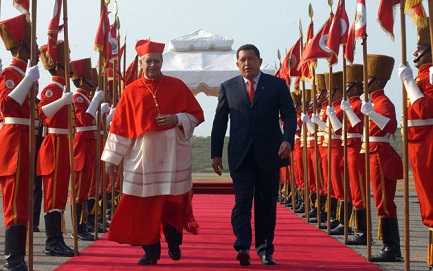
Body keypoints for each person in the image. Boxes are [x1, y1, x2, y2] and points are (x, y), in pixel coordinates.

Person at [101, 39, 204, 266]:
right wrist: (111, 158)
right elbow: (120, 127)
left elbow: (197, 115)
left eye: (157, 61)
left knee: (173, 203)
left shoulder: (177, 86)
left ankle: (174, 242)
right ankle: (151, 252)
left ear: (162, 61)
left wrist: (177, 118)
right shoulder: (130, 91)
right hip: (142, 157)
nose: (153, 65)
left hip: (173, 156)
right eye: (149, 61)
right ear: (141, 62)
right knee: (145, 208)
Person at [211, 44, 297, 266]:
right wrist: (215, 154)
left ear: (260, 61)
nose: (247, 63)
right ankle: (242, 245)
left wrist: (288, 139)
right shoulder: (228, 87)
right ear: (237, 64)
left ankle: (265, 249)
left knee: (266, 204)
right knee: (242, 202)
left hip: (270, 154)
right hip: (240, 156)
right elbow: (220, 122)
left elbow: (289, 113)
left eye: (251, 59)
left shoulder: (276, 85)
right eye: (242, 60)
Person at [0, 14, 40, 271]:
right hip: (14, 140)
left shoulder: (24, 72)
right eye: (32, 43)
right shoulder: (11, 73)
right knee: (15, 200)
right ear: (22, 46)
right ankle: (13, 260)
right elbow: (5, 105)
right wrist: (26, 80)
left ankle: (19, 258)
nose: (36, 49)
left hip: (25, 138)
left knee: (23, 198)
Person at [398, 21, 433, 270]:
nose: (414, 52)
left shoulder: (429, 77)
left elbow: (423, 109)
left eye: (420, 47)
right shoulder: (423, 77)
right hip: (418, 146)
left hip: (429, 144)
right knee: (426, 201)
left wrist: (410, 83)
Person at [361, 54, 403, 262]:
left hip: (381, 154)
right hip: (373, 151)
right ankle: (390, 246)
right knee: (381, 201)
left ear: (376, 81)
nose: (362, 82)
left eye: (367, 78)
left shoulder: (382, 102)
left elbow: (390, 126)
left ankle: (391, 247)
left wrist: (372, 114)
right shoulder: (373, 102)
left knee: (385, 202)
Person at [36, 40, 75, 257]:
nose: (70, 62)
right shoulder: (53, 88)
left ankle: (57, 239)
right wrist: (61, 101)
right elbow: (43, 113)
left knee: (59, 195)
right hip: (54, 145)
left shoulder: (63, 88)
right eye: (66, 57)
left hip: (64, 144)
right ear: (59, 64)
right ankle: (52, 241)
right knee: (52, 195)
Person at [70, 58, 101, 241]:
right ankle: (77, 227)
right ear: (82, 80)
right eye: (89, 77)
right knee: (79, 187)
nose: (93, 81)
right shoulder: (78, 97)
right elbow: (85, 120)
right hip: (82, 144)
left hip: (90, 143)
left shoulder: (86, 97)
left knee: (87, 186)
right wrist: (95, 101)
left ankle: (83, 223)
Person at [341, 64, 367, 245]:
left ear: (355, 88)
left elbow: (357, 126)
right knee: (348, 188)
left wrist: (348, 110)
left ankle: (363, 232)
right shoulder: (350, 104)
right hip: (347, 149)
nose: (345, 89)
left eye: (348, 85)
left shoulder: (358, 105)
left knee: (358, 191)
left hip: (356, 149)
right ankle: (353, 226)